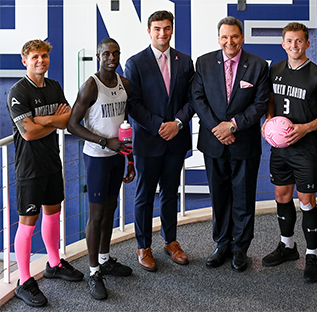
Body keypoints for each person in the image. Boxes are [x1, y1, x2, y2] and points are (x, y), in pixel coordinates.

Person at [6, 39, 83, 307]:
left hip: (52, 160)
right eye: (35, 56)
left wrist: (44, 120)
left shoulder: (54, 86)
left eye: (45, 56)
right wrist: (54, 120)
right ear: (24, 60)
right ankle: (24, 280)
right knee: (27, 223)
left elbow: (69, 119)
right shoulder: (18, 92)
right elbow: (27, 134)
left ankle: (53, 264)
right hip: (29, 167)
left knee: (54, 212)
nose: (41, 61)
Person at [261, 22, 317, 283]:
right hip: (280, 148)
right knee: (282, 195)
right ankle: (288, 246)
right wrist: (270, 121)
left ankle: (312, 255)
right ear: (283, 44)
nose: (294, 45)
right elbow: (271, 100)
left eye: (299, 41)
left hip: (305, 148)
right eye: (289, 41)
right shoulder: (276, 70)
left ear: (307, 43)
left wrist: (306, 128)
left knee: (307, 200)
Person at [192, 16, 270, 272]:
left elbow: (260, 104)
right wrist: (218, 129)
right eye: (225, 37)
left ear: (242, 37)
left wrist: (233, 125)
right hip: (213, 142)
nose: (230, 41)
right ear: (218, 38)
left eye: (234, 36)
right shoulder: (203, 63)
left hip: (244, 142)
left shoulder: (258, 65)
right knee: (219, 196)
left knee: (244, 197)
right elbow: (198, 97)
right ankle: (222, 244)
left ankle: (240, 248)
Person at [124, 10, 194, 272]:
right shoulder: (135, 63)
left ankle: (170, 241)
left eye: (166, 28)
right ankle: (144, 246)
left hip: (176, 139)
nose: (162, 33)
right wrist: (158, 126)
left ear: (172, 29)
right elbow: (133, 104)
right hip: (148, 141)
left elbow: (192, 99)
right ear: (149, 31)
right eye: (157, 28)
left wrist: (176, 124)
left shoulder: (184, 61)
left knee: (169, 193)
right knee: (144, 196)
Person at [67, 38, 135, 299]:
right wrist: (104, 141)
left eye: (115, 53)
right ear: (98, 56)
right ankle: (94, 271)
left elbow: (125, 124)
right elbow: (72, 124)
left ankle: (105, 259)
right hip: (96, 157)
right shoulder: (90, 86)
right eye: (106, 53)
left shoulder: (124, 83)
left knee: (110, 209)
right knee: (96, 215)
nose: (111, 57)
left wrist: (130, 158)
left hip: (118, 156)